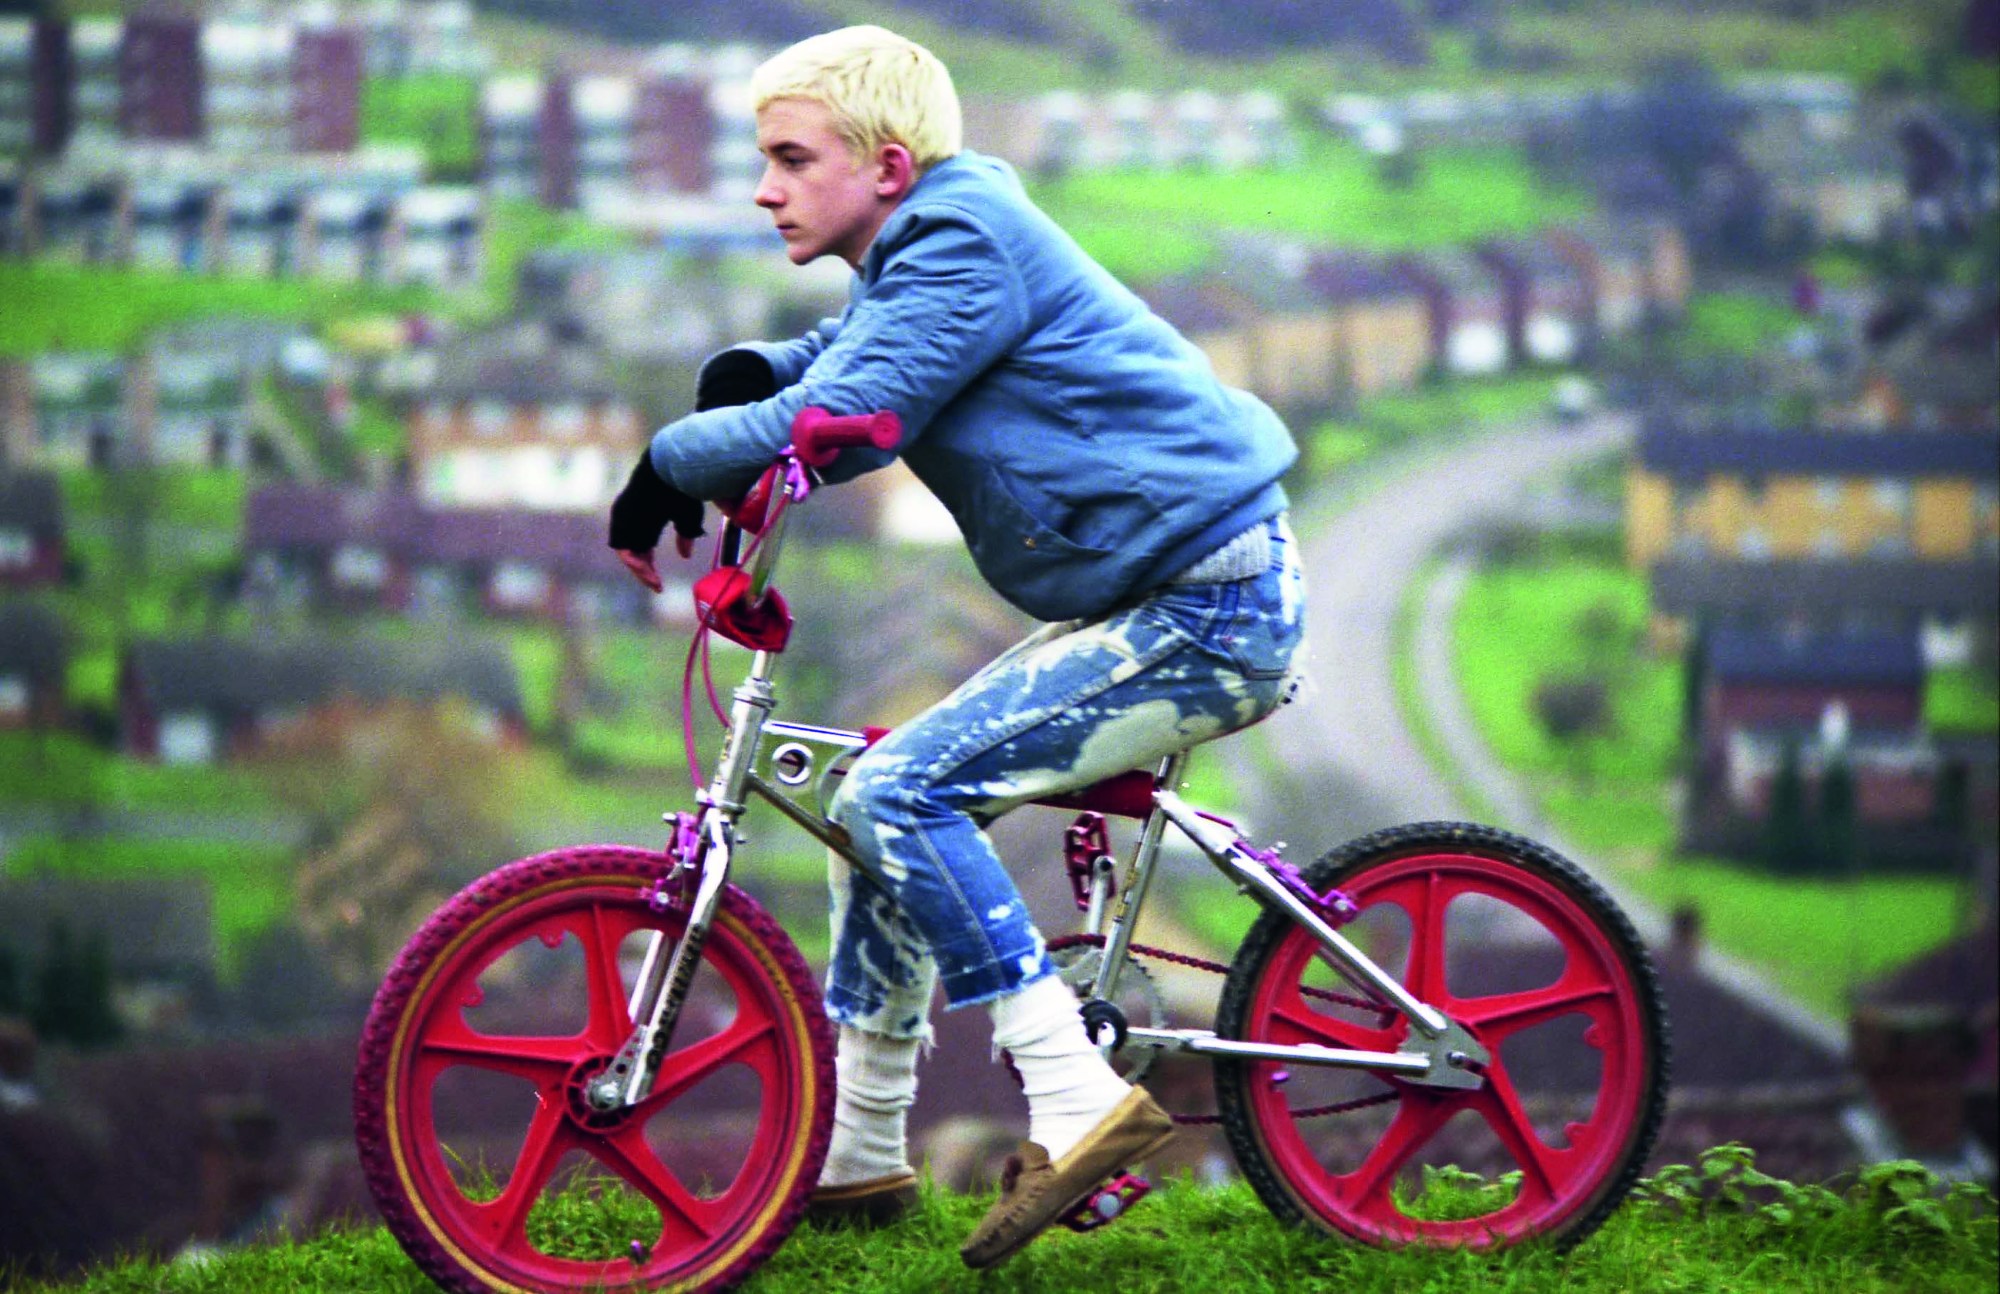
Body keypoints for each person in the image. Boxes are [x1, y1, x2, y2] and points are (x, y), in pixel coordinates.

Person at [607, 25, 1304, 1269]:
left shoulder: (960, 241)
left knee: (898, 787)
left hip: (1205, 605)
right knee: (867, 801)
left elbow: (852, 416)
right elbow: (840, 365)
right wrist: (740, 382)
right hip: (1152, 591)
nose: (762, 188)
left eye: (787, 158)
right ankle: (865, 1155)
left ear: (883, 165)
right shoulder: (927, 250)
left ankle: (1072, 1095)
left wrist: (669, 459)